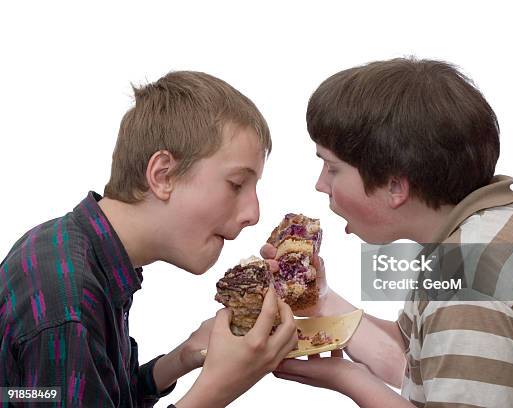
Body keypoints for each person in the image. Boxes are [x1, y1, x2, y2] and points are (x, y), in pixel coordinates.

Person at [267, 58, 513, 407]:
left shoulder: (471, 282)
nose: (321, 184)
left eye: (332, 168)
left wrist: (347, 379)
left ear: (396, 186)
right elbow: (414, 356)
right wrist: (319, 298)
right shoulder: (495, 227)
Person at [0, 71, 297, 407]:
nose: (253, 213)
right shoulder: (68, 304)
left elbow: (102, 394)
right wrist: (216, 390)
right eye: (236, 184)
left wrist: (183, 357)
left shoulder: (76, 249)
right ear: (163, 175)